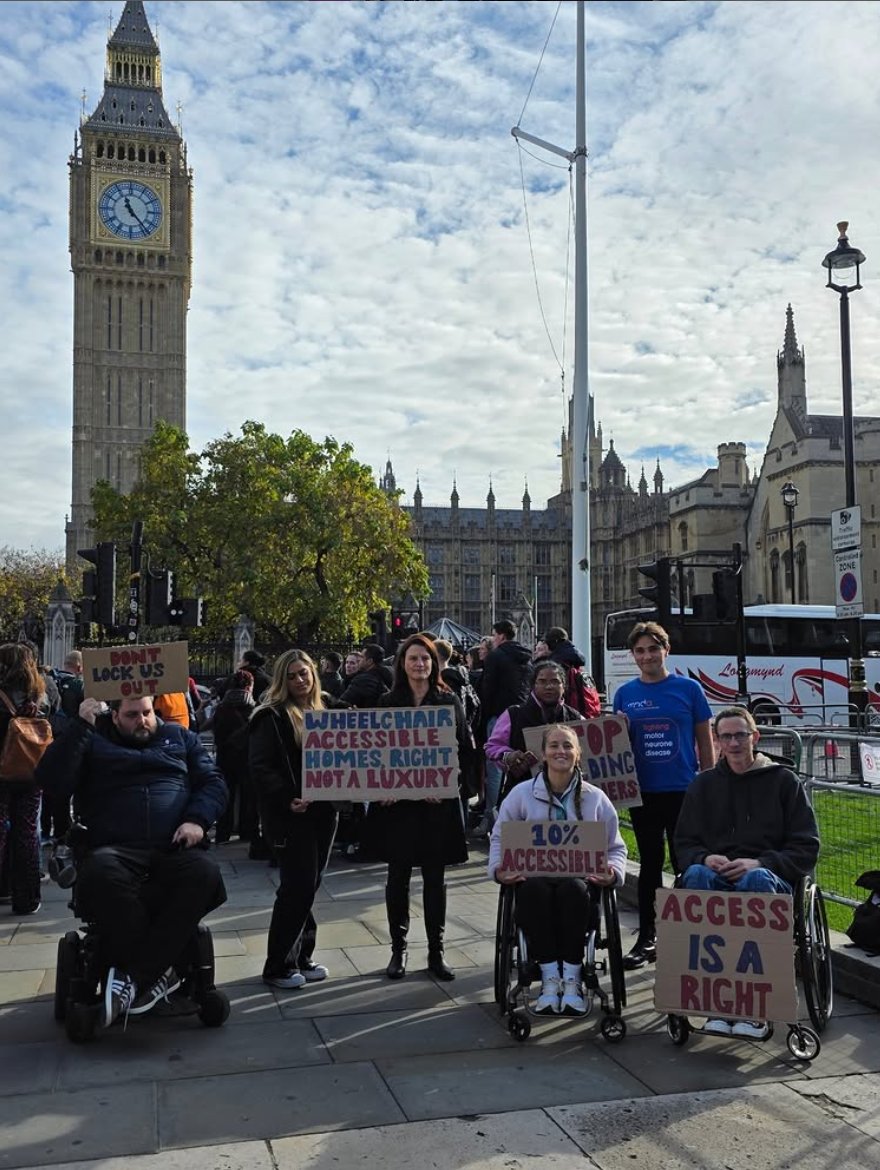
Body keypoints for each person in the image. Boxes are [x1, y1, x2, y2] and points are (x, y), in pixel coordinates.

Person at [35, 693, 228, 1027]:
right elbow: (52, 782)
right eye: (133, 715)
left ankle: (133, 980)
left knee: (205, 874)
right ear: (114, 716)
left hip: (172, 847)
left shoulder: (180, 737)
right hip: (114, 849)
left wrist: (197, 820)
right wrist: (81, 726)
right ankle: (158, 973)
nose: (143, 720)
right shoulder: (93, 739)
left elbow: (213, 783)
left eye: (148, 712)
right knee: (100, 874)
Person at [674, 705, 820, 1038]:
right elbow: (683, 844)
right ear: (717, 741)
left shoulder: (784, 782)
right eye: (726, 736)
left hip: (767, 878)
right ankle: (716, 1002)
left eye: (741, 735)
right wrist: (705, 856)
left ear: (755, 737)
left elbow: (806, 846)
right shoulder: (703, 785)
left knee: (754, 880)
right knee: (695, 875)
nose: (735, 743)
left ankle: (753, 1007)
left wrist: (762, 863)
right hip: (716, 875)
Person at [489, 723, 626, 1014]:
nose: (560, 751)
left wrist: (612, 872)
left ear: (578, 754)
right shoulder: (521, 795)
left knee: (573, 890)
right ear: (543, 754)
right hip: (534, 881)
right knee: (535, 890)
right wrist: (499, 870)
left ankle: (573, 978)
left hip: (579, 882)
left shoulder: (595, 798)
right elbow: (500, 837)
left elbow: (615, 846)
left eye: (567, 746)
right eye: (554, 746)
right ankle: (551, 978)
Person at [366, 633, 470, 982]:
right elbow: (376, 754)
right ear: (402, 663)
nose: (420, 664)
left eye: (425, 659)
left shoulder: (449, 699)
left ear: (434, 663)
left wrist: (447, 785)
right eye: (413, 658)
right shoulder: (387, 701)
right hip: (398, 807)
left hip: (435, 805)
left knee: (434, 879)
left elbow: (462, 747)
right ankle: (398, 948)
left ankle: (436, 951)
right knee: (397, 878)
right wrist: (383, 787)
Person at [613, 621, 713, 970]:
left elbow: (705, 738)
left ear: (666, 651)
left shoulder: (689, 689)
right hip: (644, 791)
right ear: (633, 656)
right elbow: (617, 746)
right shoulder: (625, 693)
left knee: (687, 864)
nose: (647, 656)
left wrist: (709, 781)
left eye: (653, 649)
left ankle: (690, 935)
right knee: (650, 865)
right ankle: (647, 936)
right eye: (640, 651)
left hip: (684, 789)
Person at [248, 649, 342, 989]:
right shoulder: (270, 716)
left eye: (305, 673)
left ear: (314, 674)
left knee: (311, 884)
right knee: (297, 887)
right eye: (292, 675)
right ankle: (278, 965)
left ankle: (302, 955)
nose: (300, 680)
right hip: (292, 814)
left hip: (323, 811)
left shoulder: (329, 708)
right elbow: (260, 767)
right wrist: (287, 798)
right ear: (281, 680)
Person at [483, 661, 584, 813]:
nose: (549, 687)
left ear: (564, 686)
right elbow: (491, 748)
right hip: (522, 801)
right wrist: (509, 757)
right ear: (533, 686)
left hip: (567, 802)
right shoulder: (513, 715)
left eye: (555, 681)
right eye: (542, 682)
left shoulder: (576, 718)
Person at [0, 643, 51, 915]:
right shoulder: (40, 695)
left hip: (2, 770)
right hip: (31, 771)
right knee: (27, 833)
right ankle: (27, 897)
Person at [478, 621, 532, 833]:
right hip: (520, 716)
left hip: (498, 716)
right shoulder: (526, 657)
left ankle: (492, 820)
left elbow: (488, 689)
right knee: (519, 766)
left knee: (495, 770)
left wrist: (485, 717)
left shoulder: (495, 656)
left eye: (493, 635)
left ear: (500, 636)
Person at [212, 669, 257, 844]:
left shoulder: (221, 708)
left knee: (226, 796)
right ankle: (248, 832)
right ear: (249, 686)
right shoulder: (253, 708)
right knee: (249, 797)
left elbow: (217, 734)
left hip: (225, 757)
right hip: (247, 758)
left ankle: (223, 832)